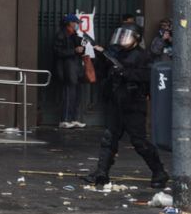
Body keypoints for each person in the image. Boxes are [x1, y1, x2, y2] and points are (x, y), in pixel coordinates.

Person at [83, 23, 169, 189]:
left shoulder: (143, 56)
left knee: (139, 142)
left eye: (126, 35)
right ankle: (101, 173)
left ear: (136, 39)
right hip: (116, 103)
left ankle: (159, 172)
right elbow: (106, 71)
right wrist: (102, 57)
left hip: (133, 105)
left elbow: (147, 75)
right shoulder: (117, 53)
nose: (122, 38)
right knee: (109, 138)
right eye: (121, 35)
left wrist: (125, 72)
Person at [52, 14, 85, 129]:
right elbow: (58, 52)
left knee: (77, 94)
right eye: (75, 23)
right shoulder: (61, 35)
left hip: (75, 68)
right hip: (66, 69)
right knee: (68, 94)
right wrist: (74, 51)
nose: (77, 25)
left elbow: (79, 50)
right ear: (69, 23)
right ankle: (65, 119)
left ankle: (74, 118)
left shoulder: (74, 35)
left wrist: (81, 48)